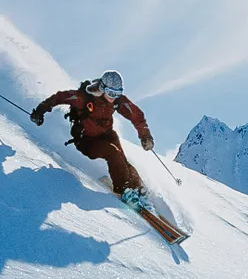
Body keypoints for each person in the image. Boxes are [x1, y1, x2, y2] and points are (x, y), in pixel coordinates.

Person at [30, 70, 155, 210]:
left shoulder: (116, 101)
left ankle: (138, 189)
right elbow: (59, 97)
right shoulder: (83, 98)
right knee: (113, 153)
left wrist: (145, 136)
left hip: (107, 135)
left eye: (118, 94)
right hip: (86, 140)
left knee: (121, 158)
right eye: (111, 94)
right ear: (102, 88)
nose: (114, 97)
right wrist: (40, 111)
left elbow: (136, 115)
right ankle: (125, 190)